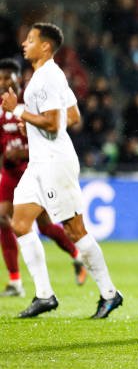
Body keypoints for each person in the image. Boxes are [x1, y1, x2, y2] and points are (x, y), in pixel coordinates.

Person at [1, 22, 123, 318]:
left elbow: (54, 125)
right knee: (20, 223)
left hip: (55, 162)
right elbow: (73, 115)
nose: (24, 44)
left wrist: (18, 111)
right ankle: (45, 295)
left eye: (31, 40)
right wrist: (32, 124)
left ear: (45, 46)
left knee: (75, 229)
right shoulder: (46, 76)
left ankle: (110, 293)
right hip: (38, 163)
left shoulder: (47, 78)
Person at [0, 58, 86, 297]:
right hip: (10, 173)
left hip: (32, 169)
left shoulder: (31, 102)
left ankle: (77, 255)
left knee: (45, 226)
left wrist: (22, 152)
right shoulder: (2, 106)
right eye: (0, 78)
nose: (3, 82)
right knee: (2, 218)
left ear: (18, 78)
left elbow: (48, 137)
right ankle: (16, 281)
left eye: (7, 77)